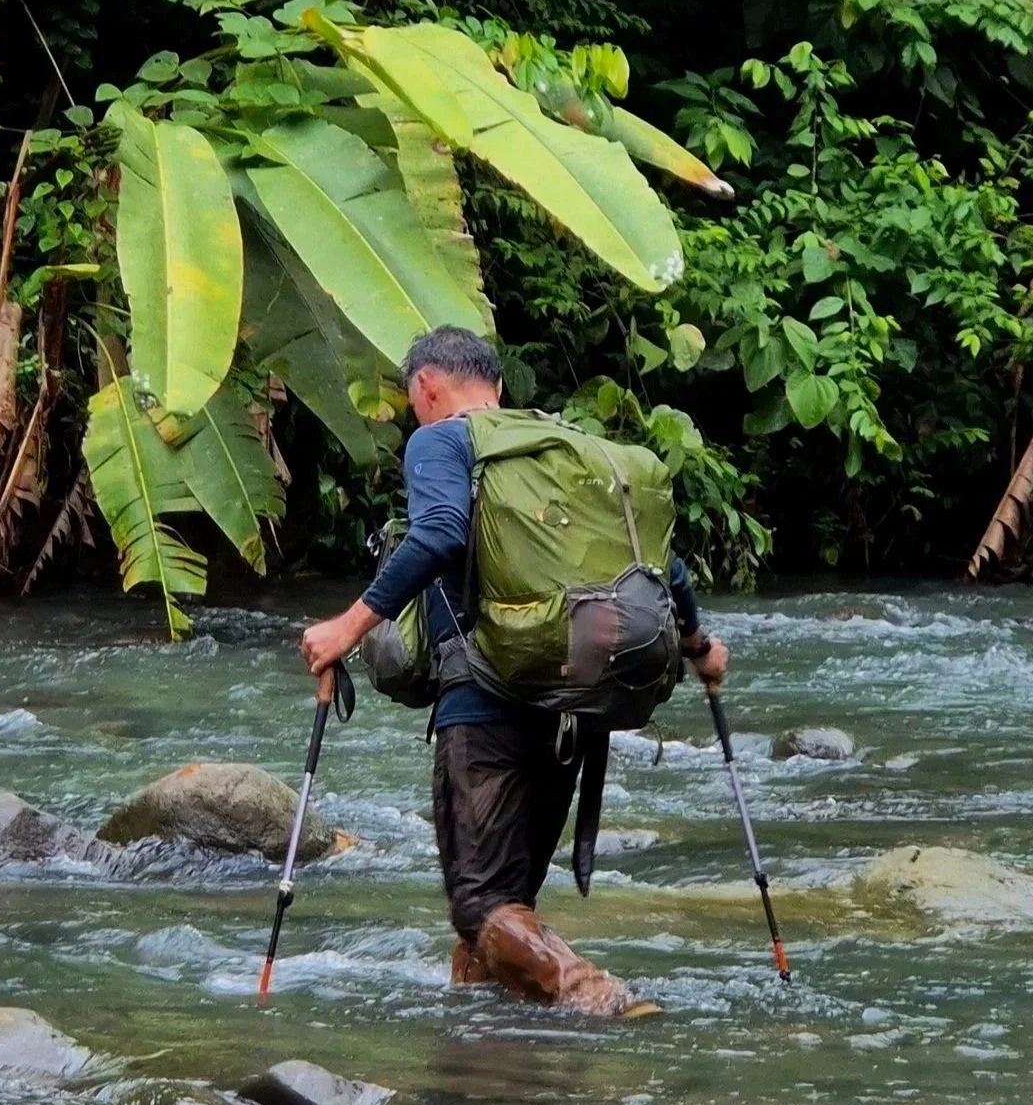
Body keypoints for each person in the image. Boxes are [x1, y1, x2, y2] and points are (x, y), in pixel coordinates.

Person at [297, 326, 727, 1016]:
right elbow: (660, 563)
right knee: (504, 904)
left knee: (480, 903)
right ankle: (486, 1058)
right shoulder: (565, 447)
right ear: (495, 384)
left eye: (415, 401)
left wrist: (347, 628)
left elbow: (438, 531)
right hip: (569, 715)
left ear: (427, 386)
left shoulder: (444, 440)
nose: (417, 413)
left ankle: (595, 995)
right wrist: (699, 643)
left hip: (486, 702)